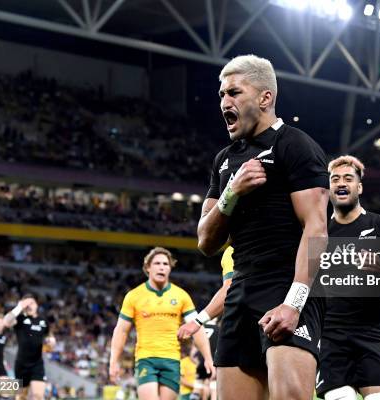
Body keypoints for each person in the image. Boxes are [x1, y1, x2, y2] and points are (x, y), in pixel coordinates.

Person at [197, 54, 329, 400]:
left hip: (286, 285)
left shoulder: (295, 145)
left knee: (290, 397)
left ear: (265, 98)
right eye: (222, 95)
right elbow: (206, 241)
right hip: (240, 292)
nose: (225, 102)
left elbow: (316, 230)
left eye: (235, 93)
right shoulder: (224, 161)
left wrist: (294, 303)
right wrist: (231, 192)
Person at [317, 155, 380, 400]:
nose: (341, 183)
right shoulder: (318, 231)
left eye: (348, 178)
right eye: (335, 179)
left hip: (372, 334)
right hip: (329, 337)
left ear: (360, 187)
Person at [109, 247, 215, 400]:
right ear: (148, 268)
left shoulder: (181, 296)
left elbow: (197, 329)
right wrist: (114, 361)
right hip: (146, 359)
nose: (161, 267)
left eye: (165, 264)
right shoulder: (134, 296)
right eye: (157, 263)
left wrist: (208, 358)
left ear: (170, 268)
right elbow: (121, 331)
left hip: (171, 361)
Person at [178, 247, 233, 400]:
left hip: (201, 360)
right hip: (214, 359)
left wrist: (195, 357)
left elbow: (195, 347)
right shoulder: (219, 328)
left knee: (199, 384)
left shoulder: (202, 327)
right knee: (213, 387)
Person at [4, 294, 55, 400]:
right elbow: (6, 321)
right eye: (27, 303)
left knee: (38, 396)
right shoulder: (20, 319)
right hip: (21, 363)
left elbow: (49, 338)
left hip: (37, 363)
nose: (29, 305)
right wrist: (19, 307)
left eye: (31, 302)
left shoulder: (43, 322)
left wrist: (51, 342)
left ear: (36, 305)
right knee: (21, 396)